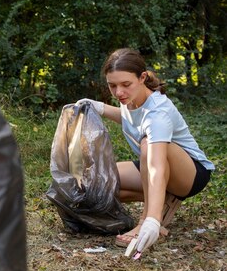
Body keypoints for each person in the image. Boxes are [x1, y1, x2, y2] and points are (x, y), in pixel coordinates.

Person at [77, 48, 214, 258]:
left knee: (148, 145)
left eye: (125, 84)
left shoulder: (157, 113)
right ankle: (164, 199)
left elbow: (156, 167)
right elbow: (131, 119)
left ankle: (149, 218)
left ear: (142, 78)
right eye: (112, 85)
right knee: (94, 183)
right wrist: (100, 108)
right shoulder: (132, 99)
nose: (119, 92)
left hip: (190, 173)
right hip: (152, 162)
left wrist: (150, 220)